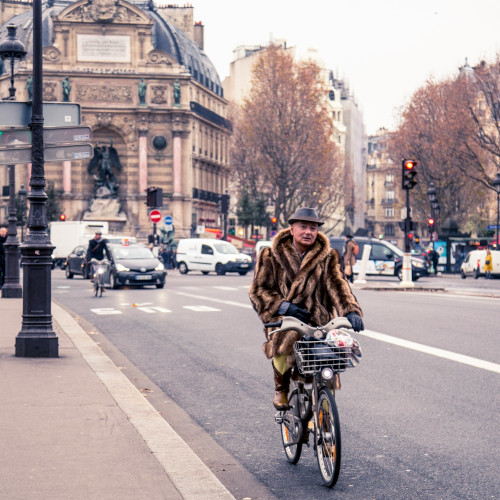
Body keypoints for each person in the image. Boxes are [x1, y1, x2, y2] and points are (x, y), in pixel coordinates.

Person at [249, 207, 364, 410]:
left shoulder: (327, 256)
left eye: (313, 228)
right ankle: (281, 388)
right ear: (292, 229)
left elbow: (338, 285)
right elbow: (259, 290)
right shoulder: (270, 255)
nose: (308, 232)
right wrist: (283, 306)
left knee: (330, 355)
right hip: (283, 319)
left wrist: (351, 310)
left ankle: (324, 416)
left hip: (318, 321)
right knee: (287, 337)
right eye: (303, 227)